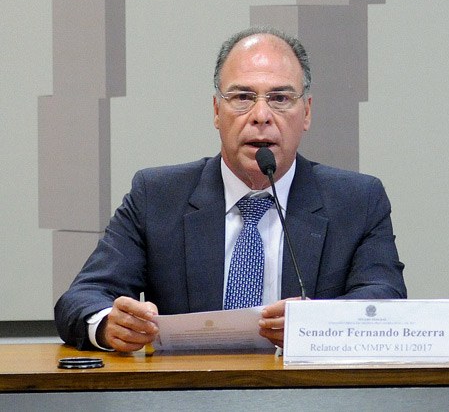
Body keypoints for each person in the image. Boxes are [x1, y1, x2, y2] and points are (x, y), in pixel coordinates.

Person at [55, 28, 406, 351]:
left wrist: (316, 325)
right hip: (188, 396)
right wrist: (107, 325)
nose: (261, 115)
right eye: (242, 97)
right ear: (216, 111)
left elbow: (385, 299)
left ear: (307, 113)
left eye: (280, 98)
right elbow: (83, 297)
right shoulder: (157, 196)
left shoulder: (357, 200)